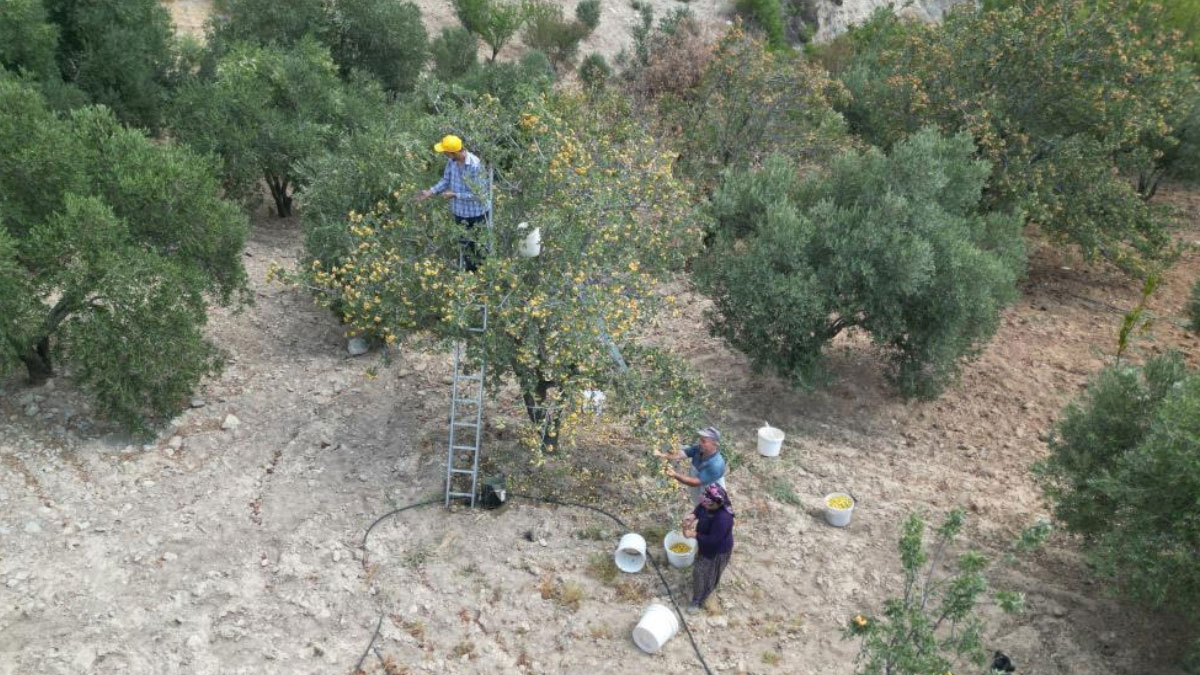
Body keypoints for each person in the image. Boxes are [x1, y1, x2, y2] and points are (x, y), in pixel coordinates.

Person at [416, 134, 490, 271]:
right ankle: (469, 278)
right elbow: (445, 180)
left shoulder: (475, 165)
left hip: (477, 214)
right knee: (465, 248)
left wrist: (455, 194)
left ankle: (482, 279)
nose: (443, 153)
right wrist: (430, 192)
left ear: (453, 152)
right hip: (460, 214)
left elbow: (480, 194)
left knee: (480, 250)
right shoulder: (452, 161)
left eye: (445, 151)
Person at [681, 483, 735, 613]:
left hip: (717, 551)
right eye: (703, 501)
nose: (704, 504)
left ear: (716, 504)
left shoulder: (724, 518)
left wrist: (693, 534)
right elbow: (701, 507)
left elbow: (713, 541)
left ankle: (699, 600)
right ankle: (701, 592)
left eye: (707, 503)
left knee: (705, 574)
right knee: (701, 571)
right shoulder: (709, 503)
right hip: (705, 545)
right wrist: (693, 515)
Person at [657, 426, 727, 504]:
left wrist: (675, 475)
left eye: (704, 441)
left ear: (714, 444)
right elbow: (681, 454)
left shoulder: (716, 465)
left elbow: (695, 482)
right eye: (700, 439)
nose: (700, 443)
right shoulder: (699, 449)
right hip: (700, 493)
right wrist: (663, 455)